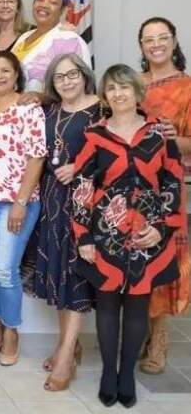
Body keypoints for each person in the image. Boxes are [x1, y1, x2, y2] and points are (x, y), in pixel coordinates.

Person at [71, 65, 183, 408]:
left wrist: (161, 228)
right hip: (106, 231)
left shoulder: (158, 135)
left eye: (124, 88)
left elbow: (172, 181)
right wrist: (85, 237)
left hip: (149, 233)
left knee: (138, 304)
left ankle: (126, 376)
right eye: (112, 89)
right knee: (107, 304)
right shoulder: (95, 136)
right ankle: (108, 372)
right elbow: (81, 186)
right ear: (106, 95)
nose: (118, 94)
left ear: (137, 91)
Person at [0, 50, 46, 366]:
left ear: (17, 74)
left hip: (15, 202)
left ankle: (12, 331)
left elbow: (36, 157)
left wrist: (20, 203)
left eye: (5, 70)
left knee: (6, 270)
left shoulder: (28, 108)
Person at [32, 53, 101, 390]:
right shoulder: (51, 111)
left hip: (86, 203)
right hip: (52, 200)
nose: (67, 81)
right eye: (60, 78)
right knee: (58, 270)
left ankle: (64, 361)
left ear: (84, 75)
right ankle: (68, 344)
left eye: (72, 74)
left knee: (74, 274)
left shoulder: (102, 109)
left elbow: (116, 154)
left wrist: (80, 166)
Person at [137, 16, 191, 374]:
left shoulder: (187, 88)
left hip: (169, 186)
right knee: (136, 261)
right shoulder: (131, 84)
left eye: (162, 37)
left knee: (163, 263)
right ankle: (137, 332)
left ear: (173, 42)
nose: (155, 44)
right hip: (131, 186)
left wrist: (172, 139)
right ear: (141, 46)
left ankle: (159, 339)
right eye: (148, 39)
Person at [11, 0, 90, 92]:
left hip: (48, 109)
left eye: (53, 2)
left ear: (63, 9)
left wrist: (43, 98)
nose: (44, 5)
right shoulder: (23, 37)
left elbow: (81, 88)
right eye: (40, 0)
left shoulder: (70, 40)